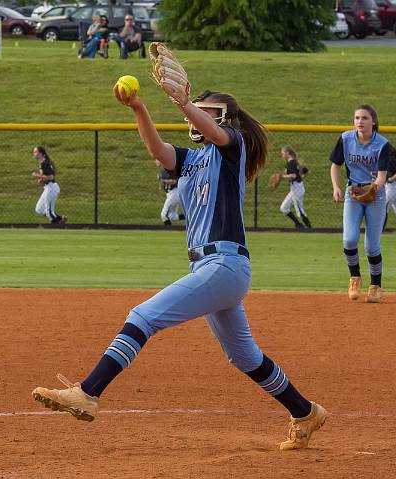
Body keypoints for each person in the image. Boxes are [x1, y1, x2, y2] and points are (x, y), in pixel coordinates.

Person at [32, 81, 327, 450]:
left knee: (143, 316)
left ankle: (88, 392)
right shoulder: (191, 158)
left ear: (227, 121)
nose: (201, 117)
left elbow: (215, 133)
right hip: (208, 268)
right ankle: (305, 412)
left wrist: (185, 102)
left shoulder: (232, 146)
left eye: (209, 112)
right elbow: (159, 151)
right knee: (244, 356)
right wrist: (139, 108)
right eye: (198, 111)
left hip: (224, 263)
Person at [329, 104, 390, 303]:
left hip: (376, 196)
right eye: (357, 118)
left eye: (364, 118)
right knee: (349, 239)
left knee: (372, 246)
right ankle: (354, 277)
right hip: (352, 192)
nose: (360, 122)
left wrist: (372, 189)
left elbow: (382, 177)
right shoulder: (346, 139)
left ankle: (375, 286)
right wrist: (336, 187)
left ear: (373, 121)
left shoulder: (382, 144)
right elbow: (335, 166)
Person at [277, 146, 311, 229]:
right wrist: (301, 177)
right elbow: (307, 171)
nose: (282, 155)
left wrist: (282, 177)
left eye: (283, 153)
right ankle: (299, 225)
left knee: (299, 210)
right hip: (295, 188)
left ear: (287, 153)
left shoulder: (290, 163)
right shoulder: (296, 162)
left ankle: (309, 228)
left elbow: (293, 175)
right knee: (284, 208)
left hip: (296, 188)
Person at [32, 146, 66, 224]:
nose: (34, 154)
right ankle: (60, 219)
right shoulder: (43, 163)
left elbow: (51, 177)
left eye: (35, 152)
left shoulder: (45, 163)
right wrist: (41, 180)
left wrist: (38, 175)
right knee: (39, 209)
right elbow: (47, 176)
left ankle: (58, 225)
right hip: (48, 187)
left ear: (40, 153)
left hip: (51, 188)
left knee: (49, 212)